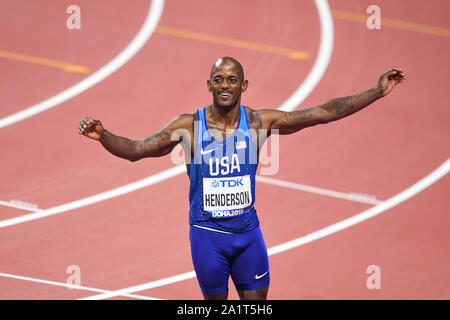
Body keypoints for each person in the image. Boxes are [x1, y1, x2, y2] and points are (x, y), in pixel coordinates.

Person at [78, 56, 405, 300]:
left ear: (243, 86)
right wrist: (104, 135)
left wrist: (376, 91)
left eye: (232, 80)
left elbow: (323, 113)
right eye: (218, 79)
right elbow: (137, 149)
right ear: (209, 85)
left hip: (249, 236)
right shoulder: (189, 127)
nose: (224, 85)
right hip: (208, 238)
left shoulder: (259, 122)